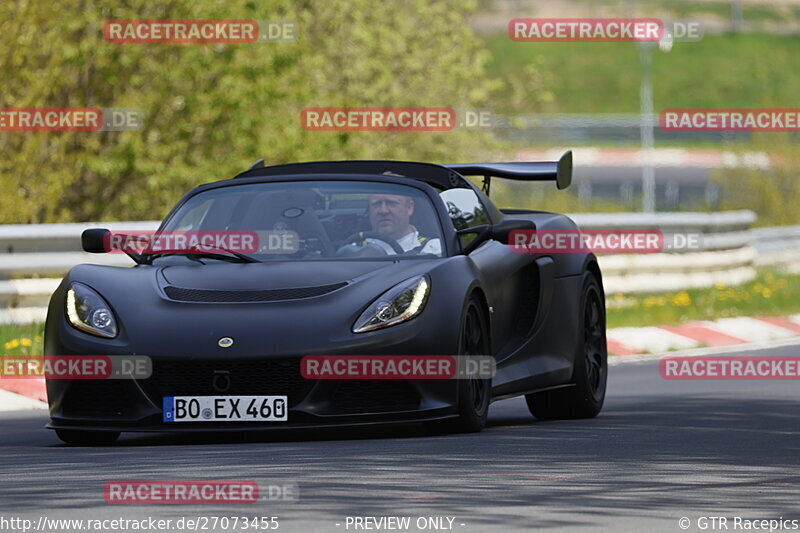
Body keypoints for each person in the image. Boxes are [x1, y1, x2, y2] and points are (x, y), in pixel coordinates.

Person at [361, 192, 441, 255]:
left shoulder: (434, 249)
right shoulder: (354, 249)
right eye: (377, 204)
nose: (383, 211)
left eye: (391, 203)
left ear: (409, 208)